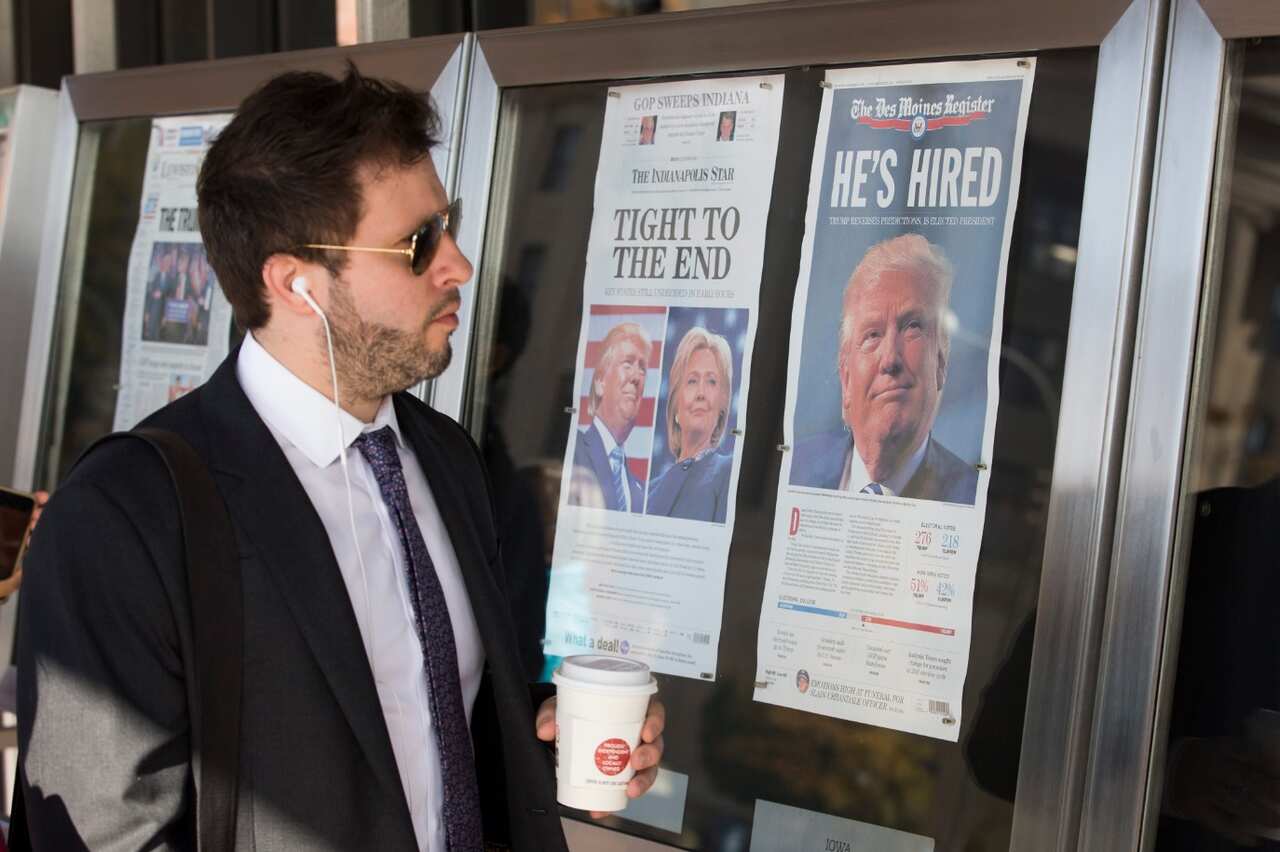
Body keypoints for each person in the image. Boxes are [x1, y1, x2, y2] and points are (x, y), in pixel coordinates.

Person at [17, 67, 664, 851]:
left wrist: (558, 729)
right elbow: (102, 835)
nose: (456, 264)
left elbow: (421, 728)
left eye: (447, 228)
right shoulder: (127, 514)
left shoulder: (442, 456)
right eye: (418, 243)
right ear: (296, 283)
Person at [790, 233, 978, 504]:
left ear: (940, 363)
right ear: (846, 379)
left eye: (912, 326)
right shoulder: (795, 469)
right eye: (872, 335)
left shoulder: (969, 499)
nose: (890, 359)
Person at [646, 327, 734, 523]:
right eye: (692, 381)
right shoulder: (648, 491)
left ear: (722, 405)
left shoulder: (729, 472)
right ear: (676, 405)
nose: (701, 393)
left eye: (711, 382)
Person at [568, 321, 649, 513]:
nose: (637, 377)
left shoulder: (640, 492)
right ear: (600, 382)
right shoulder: (573, 450)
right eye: (628, 363)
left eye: (643, 368)